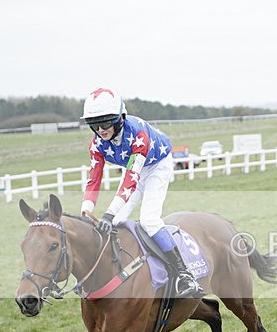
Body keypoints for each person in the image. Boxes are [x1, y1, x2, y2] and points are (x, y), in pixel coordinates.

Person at [79, 87, 204, 298]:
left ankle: (185, 275)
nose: (101, 129)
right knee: (117, 220)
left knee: (149, 220)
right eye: (94, 124)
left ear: (120, 118)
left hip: (157, 164)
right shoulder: (97, 144)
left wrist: (107, 214)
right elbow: (94, 179)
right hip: (133, 166)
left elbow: (130, 181)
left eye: (106, 122)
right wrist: (85, 209)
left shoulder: (139, 134)